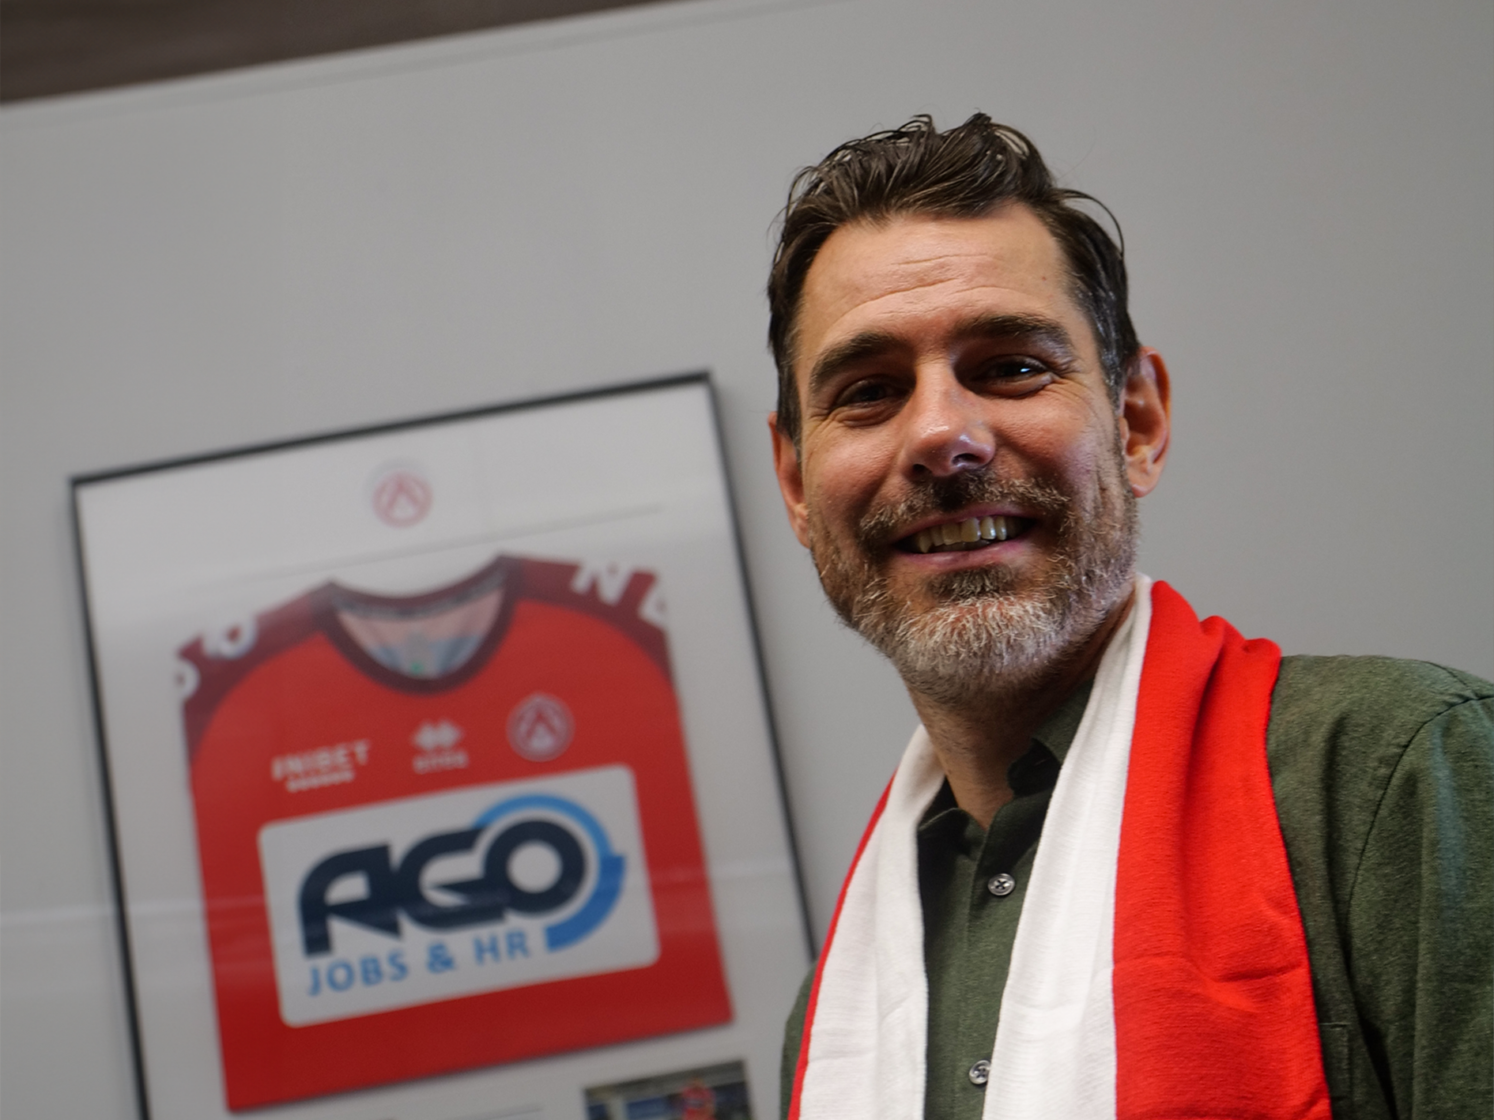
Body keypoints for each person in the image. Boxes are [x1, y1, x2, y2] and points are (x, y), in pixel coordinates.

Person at [765, 114, 1492, 1120]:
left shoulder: (1403, 778)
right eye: (869, 391)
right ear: (797, 484)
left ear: (1137, 421)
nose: (940, 434)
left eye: (1011, 366)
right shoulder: (829, 1024)